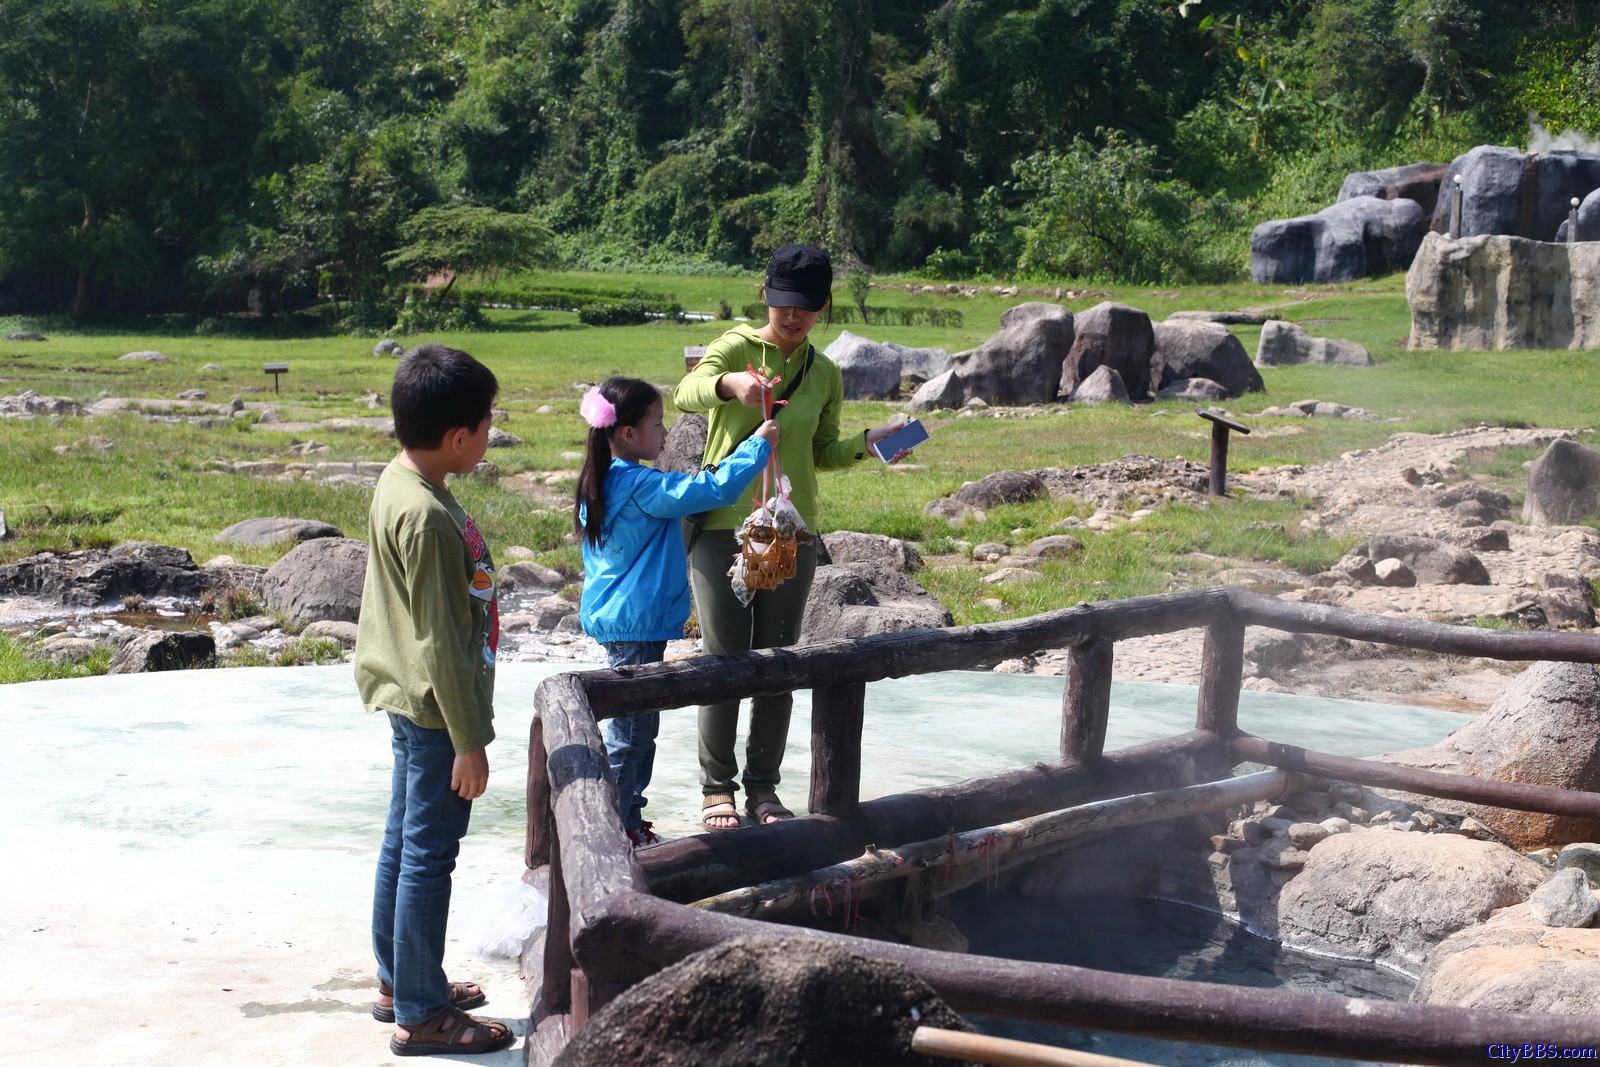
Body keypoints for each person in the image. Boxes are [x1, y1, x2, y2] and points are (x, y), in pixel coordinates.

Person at [674, 244, 909, 832]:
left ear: (823, 305)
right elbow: (687, 392)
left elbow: (820, 451)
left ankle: (763, 790)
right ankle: (715, 789)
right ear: (767, 295)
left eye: (805, 307)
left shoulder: (825, 372)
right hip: (726, 523)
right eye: (783, 305)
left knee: (777, 663)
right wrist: (731, 385)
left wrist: (869, 442)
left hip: (790, 532)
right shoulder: (735, 345)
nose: (793, 317)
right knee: (723, 662)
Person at [355, 342, 514, 1058]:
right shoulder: (424, 515)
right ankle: (419, 1013)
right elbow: (442, 640)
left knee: (403, 839)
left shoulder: (404, 480)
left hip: (411, 697)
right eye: (486, 424)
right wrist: (469, 739)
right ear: (458, 437)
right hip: (435, 710)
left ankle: (400, 977)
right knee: (429, 854)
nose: (488, 434)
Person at [576, 375, 779, 846]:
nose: (665, 433)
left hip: (623, 619)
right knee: (631, 734)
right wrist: (758, 446)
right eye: (658, 423)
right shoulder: (640, 484)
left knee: (637, 730)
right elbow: (712, 492)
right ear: (627, 433)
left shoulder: (603, 479)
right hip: (637, 623)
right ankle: (614, 832)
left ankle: (627, 818)